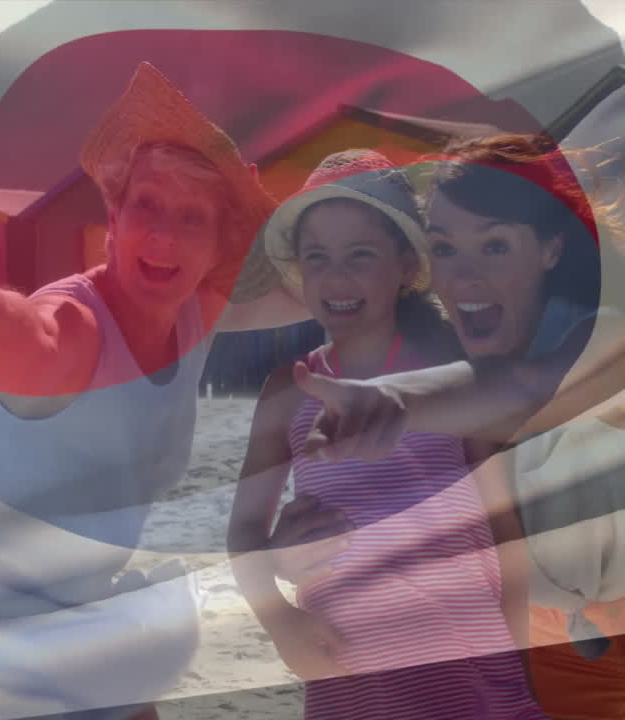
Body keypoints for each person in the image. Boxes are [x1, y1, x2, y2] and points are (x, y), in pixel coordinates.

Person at [278, 134, 625, 720]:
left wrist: (393, 403)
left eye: (495, 246)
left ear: (550, 249)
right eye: (447, 250)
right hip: (546, 634)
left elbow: (515, 396)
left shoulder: (607, 334)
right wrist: (296, 554)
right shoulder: (428, 357)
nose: (466, 276)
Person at [0, 62, 312, 720]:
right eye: (148, 205)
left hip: (67, 577)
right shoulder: (78, 325)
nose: (165, 233)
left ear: (217, 242)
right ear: (114, 213)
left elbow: (297, 277)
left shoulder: (196, 308)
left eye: (191, 218)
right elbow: (29, 332)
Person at [227, 150, 546, 719]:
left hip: (468, 671)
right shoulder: (287, 392)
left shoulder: (455, 375)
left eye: (360, 254)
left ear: (404, 264)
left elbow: (506, 532)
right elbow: (245, 530)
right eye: (317, 258)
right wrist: (281, 624)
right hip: (347, 676)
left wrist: (518, 666)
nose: (337, 276)